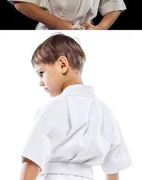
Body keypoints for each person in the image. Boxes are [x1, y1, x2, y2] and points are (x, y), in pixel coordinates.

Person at [20, 33, 131, 179]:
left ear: (62, 64)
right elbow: (113, 166)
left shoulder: (55, 108)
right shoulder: (104, 111)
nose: (41, 82)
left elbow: (33, 157)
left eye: (41, 73)